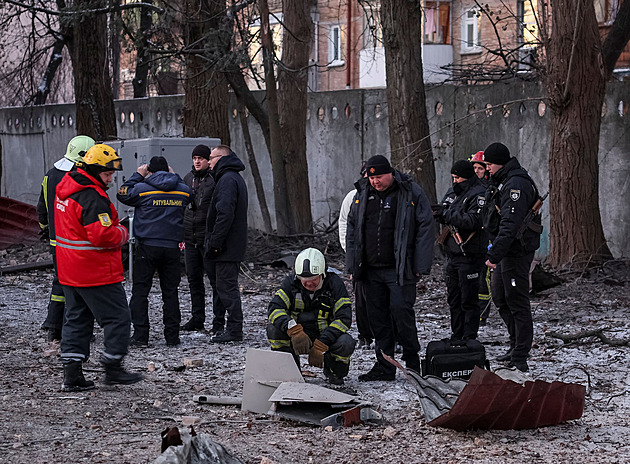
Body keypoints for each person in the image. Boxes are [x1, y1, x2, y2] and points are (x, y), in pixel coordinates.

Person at [55, 144, 141, 390]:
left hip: (70, 270)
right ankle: (113, 367)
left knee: (76, 320)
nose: (111, 178)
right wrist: (124, 233)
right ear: (93, 170)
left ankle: (72, 376)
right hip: (95, 271)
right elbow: (102, 236)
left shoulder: (67, 189)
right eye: (107, 173)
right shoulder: (92, 197)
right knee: (118, 318)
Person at [346, 155, 434, 381]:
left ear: (391, 174)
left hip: (400, 269)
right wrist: (352, 265)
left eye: (379, 177)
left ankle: (413, 363)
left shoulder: (410, 192)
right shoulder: (362, 194)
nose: (375, 181)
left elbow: (425, 227)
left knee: (401, 312)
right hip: (370, 270)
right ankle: (385, 365)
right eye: (372, 177)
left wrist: (420, 265)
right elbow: (352, 230)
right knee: (377, 318)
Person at [117, 156, 192, 347]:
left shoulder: (141, 189)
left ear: (149, 171)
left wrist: (137, 175)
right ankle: (172, 337)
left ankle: (141, 336)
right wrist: (175, 177)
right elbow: (190, 195)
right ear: (168, 170)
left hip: (147, 247)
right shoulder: (182, 190)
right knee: (170, 293)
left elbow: (122, 193)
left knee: (141, 292)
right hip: (172, 248)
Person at [482, 142, 542, 372]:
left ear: (500, 163)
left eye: (489, 165)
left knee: (517, 300)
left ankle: (520, 354)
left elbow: (511, 223)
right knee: (500, 297)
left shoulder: (515, 184)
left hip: (516, 251)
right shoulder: (503, 182)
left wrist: (494, 253)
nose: (487, 169)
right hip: (506, 250)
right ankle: (514, 344)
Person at [267, 248, 355, 385]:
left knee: (346, 342)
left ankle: (334, 374)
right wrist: (293, 330)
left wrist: (322, 343)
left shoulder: (335, 285)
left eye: (313, 279)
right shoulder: (290, 284)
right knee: (273, 330)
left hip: (326, 336)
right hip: (298, 335)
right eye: (304, 280)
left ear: (323, 274)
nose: (309, 283)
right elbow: (274, 309)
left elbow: (344, 319)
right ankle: (289, 373)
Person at [37, 135, 95, 342]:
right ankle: (75, 328)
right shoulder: (80, 177)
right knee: (78, 284)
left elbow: (42, 207)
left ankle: (54, 323)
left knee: (60, 282)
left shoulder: (50, 175)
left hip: (56, 240)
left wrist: (46, 228)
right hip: (77, 241)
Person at [434, 160, 487, 342]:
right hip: (452, 254)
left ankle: (469, 337)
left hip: (469, 254)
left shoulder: (479, 193)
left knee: (468, 300)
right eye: (453, 177)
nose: (455, 181)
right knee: (454, 299)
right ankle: (457, 335)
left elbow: (473, 220)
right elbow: (444, 208)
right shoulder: (453, 192)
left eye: (458, 177)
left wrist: (446, 214)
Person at [204, 145, 248, 343]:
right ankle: (231, 328)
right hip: (230, 245)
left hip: (226, 247)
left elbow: (224, 213)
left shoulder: (227, 180)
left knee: (227, 288)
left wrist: (215, 242)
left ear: (221, 158)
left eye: (211, 158)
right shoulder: (232, 178)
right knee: (226, 287)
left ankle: (234, 330)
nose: (209, 162)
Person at [180, 145, 217, 333]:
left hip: (206, 238)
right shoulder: (187, 179)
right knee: (194, 281)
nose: (197, 161)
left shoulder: (214, 180)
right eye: (194, 158)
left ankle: (218, 321)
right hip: (190, 238)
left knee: (214, 281)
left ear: (208, 160)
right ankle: (197, 318)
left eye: (200, 158)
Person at [338, 163, 373, 349]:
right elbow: (345, 223)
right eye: (367, 175)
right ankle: (365, 334)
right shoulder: (353, 197)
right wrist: (349, 251)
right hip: (360, 259)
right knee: (361, 300)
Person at [469, 150, 492, 324]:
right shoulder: (469, 187)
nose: (477, 171)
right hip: (472, 239)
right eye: (474, 167)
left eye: (480, 168)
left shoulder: (491, 188)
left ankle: (482, 313)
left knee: (484, 277)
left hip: (487, 237)